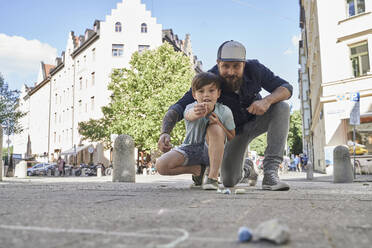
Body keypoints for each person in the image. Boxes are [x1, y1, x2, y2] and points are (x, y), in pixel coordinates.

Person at [158, 40, 293, 191]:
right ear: (218, 63)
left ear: (244, 64)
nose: (231, 72)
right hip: (234, 133)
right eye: (225, 66)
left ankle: (270, 174)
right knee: (229, 180)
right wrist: (165, 132)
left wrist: (267, 101)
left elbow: (287, 88)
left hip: (257, 121)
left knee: (282, 106)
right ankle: (247, 168)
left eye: (236, 66)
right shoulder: (209, 80)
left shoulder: (255, 69)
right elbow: (179, 106)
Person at [156, 72, 235, 190]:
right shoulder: (191, 107)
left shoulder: (225, 111)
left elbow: (231, 136)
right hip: (190, 148)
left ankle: (212, 177)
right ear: (194, 94)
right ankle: (197, 170)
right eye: (201, 91)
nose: (206, 95)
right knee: (161, 165)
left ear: (218, 93)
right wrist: (197, 112)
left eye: (211, 91)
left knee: (215, 128)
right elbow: (189, 115)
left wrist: (219, 123)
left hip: (213, 151)